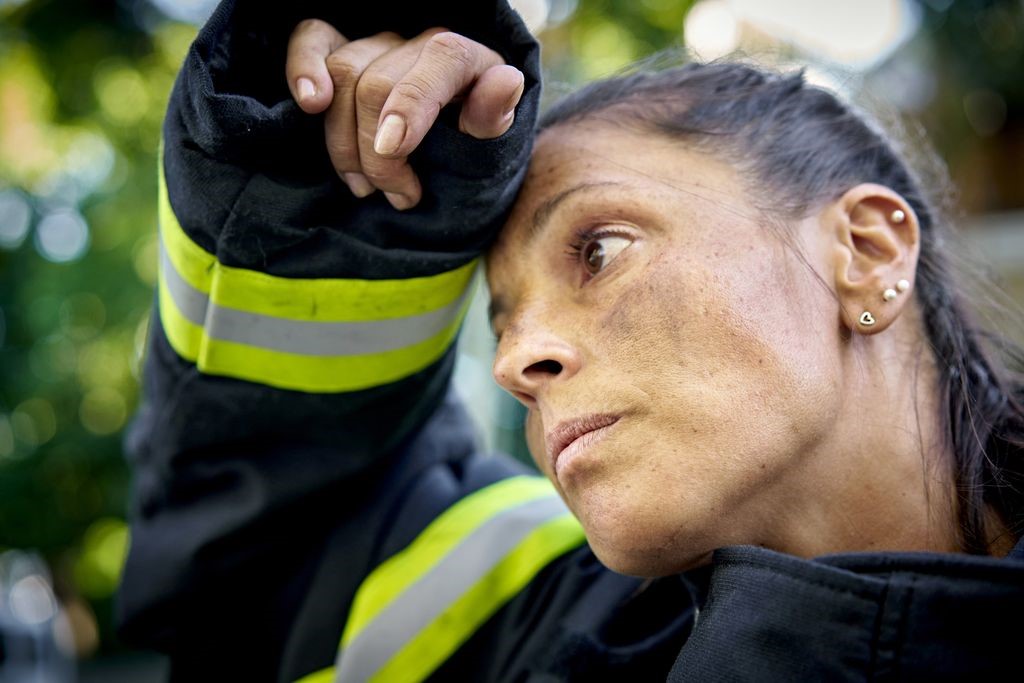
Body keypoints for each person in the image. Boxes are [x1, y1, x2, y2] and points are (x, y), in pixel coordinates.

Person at [117, 0, 1024, 680]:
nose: (516, 364)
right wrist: (318, 197)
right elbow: (269, 566)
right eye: (502, 322)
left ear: (866, 252)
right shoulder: (535, 622)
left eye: (598, 249)